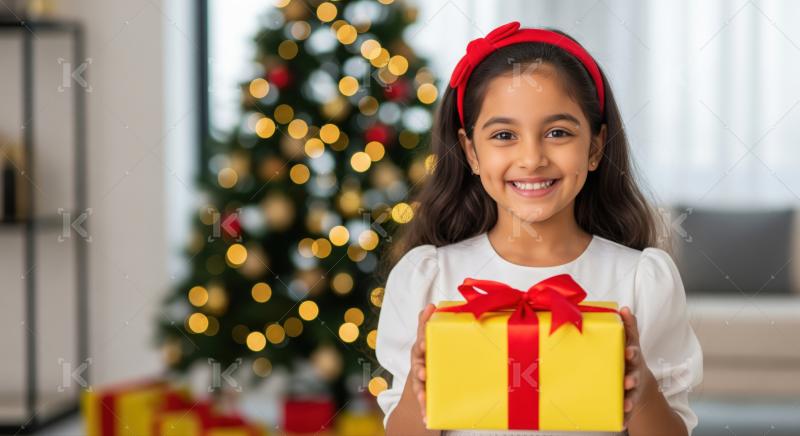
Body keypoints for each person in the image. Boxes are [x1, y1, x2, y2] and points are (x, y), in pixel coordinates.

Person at [374, 21, 703, 436]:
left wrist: (643, 391)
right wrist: (419, 386)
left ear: (595, 147)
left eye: (558, 133)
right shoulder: (427, 277)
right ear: (471, 152)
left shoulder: (642, 279)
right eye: (504, 135)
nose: (532, 159)